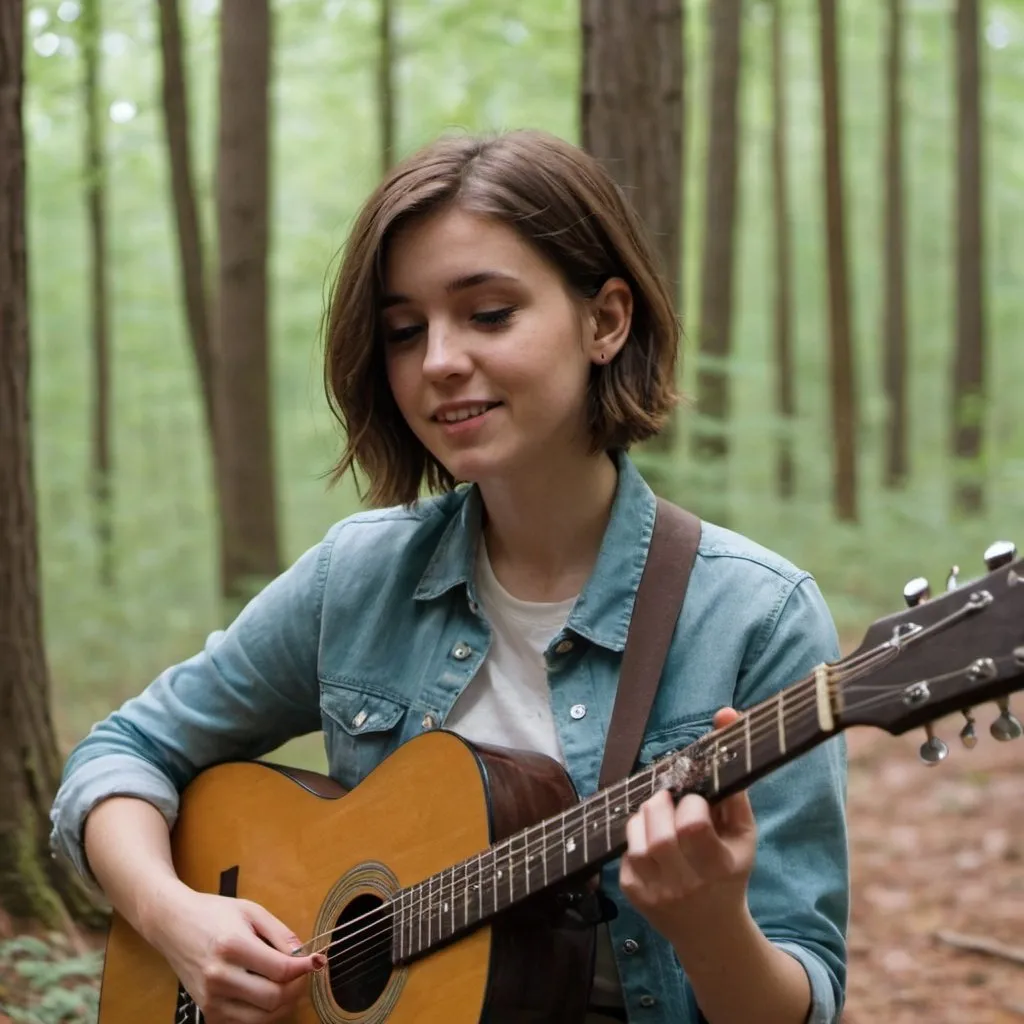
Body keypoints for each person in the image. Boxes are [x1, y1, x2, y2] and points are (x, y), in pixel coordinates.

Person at [50, 129, 848, 1024]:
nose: (437, 360)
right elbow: (120, 754)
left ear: (606, 320)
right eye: (404, 330)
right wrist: (180, 922)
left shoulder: (754, 615)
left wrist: (710, 927)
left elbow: (804, 999)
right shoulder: (359, 577)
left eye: (489, 313)